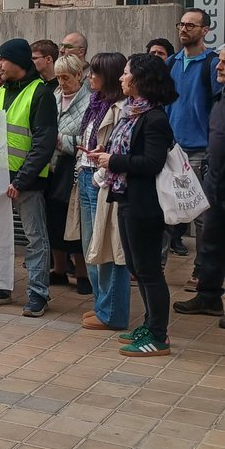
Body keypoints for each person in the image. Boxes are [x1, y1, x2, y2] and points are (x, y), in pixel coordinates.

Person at [87, 54, 177, 356]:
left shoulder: (155, 117)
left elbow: (152, 162)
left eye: (126, 74)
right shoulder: (133, 113)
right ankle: (149, 325)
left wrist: (112, 160)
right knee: (138, 268)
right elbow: (125, 148)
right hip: (126, 198)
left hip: (145, 204)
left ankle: (158, 335)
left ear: (139, 80)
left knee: (149, 271)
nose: (122, 79)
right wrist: (104, 151)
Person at [0, 38, 57, 317]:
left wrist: (21, 180)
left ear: (17, 63)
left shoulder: (41, 94)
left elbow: (43, 143)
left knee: (35, 238)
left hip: (25, 182)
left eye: (2, 60)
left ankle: (38, 294)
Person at [70, 53, 131, 333]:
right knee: (90, 247)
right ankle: (101, 305)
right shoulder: (94, 105)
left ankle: (111, 312)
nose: (89, 77)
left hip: (102, 181)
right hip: (85, 177)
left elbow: (118, 150)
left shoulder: (121, 108)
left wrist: (98, 171)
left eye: (94, 72)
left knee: (107, 247)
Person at [174, 44, 225, 329]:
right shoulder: (220, 97)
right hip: (215, 181)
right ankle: (208, 296)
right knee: (212, 244)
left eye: (224, 63)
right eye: (219, 62)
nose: (218, 66)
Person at [165, 9, 221, 265]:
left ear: (205, 30)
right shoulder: (172, 63)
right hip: (169, 149)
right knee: (164, 208)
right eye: (181, 24)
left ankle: (201, 273)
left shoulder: (212, 63)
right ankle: (157, 264)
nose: (184, 29)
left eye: (191, 25)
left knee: (202, 215)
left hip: (199, 150)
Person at [46, 54, 90, 293]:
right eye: (59, 77)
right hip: (52, 167)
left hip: (72, 169)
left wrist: (60, 141)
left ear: (78, 76)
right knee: (53, 219)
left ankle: (83, 273)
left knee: (75, 221)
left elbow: (88, 139)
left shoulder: (89, 103)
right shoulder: (54, 96)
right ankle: (59, 269)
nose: (62, 82)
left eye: (66, 77)